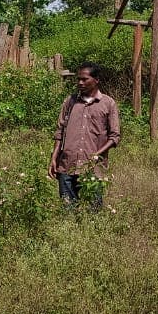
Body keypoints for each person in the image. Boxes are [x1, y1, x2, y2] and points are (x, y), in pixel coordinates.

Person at [47, 63, 120, 210]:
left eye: (85, 79)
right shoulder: (70, 102)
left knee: (93, 211)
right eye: (78, 79)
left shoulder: (108, 104)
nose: (80, 83)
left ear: (96, 80)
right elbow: (60, 131)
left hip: (92, 169)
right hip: (67, 166)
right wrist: (54, 158)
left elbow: (114, 137)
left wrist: (96, 154)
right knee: (68, 211)